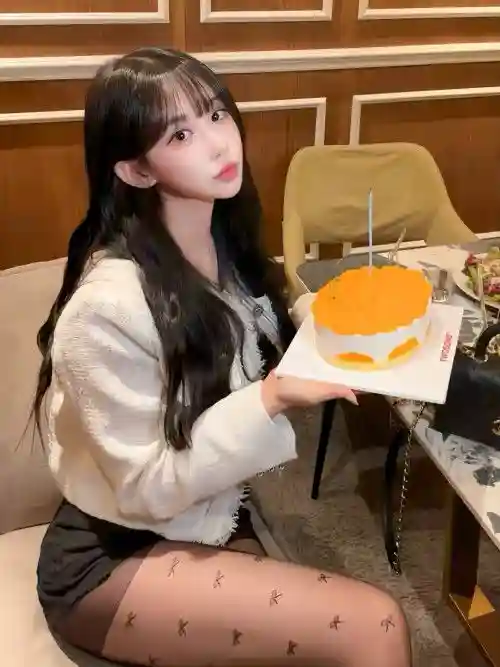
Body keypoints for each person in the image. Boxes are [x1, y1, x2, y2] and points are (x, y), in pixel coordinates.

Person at [33, 47, 411, 667]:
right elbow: (146, 489)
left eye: (215, 114)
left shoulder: (217, 243)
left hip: (206, 517)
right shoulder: (105, 310)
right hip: (113, 553)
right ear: (135, 170)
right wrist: (271, 397)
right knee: (378, 625)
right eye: (179, 135)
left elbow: (261, 319)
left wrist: (335, 319)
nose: (218, 143)